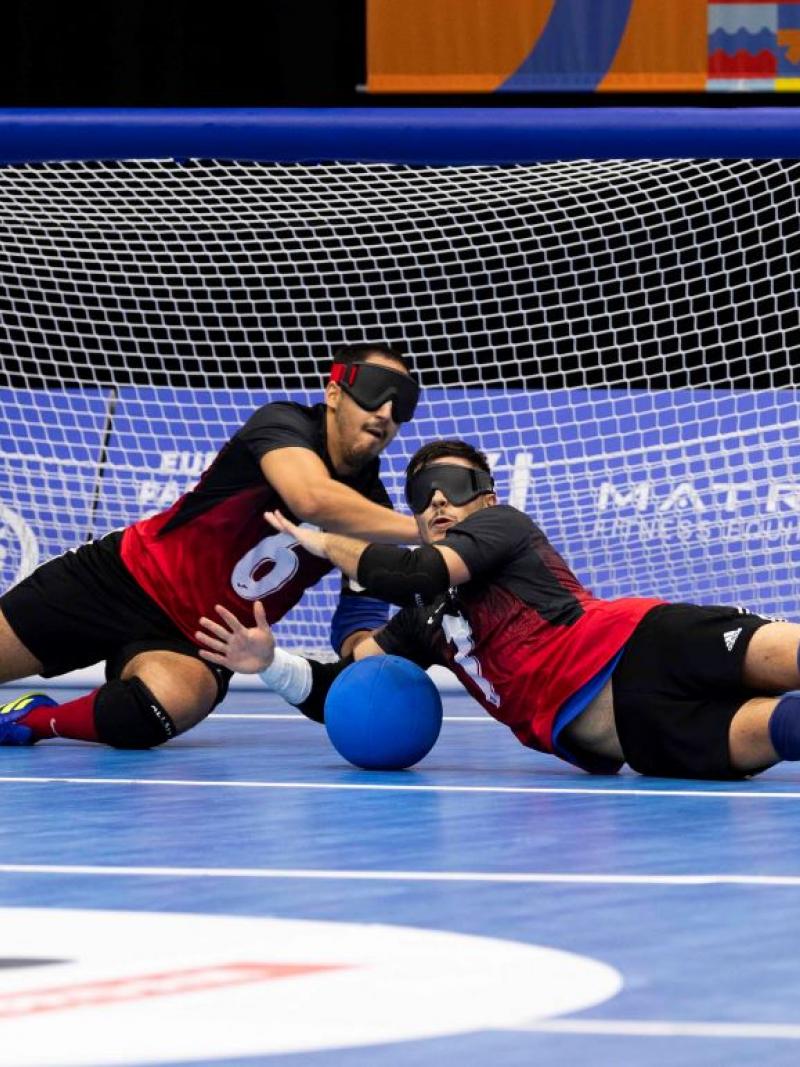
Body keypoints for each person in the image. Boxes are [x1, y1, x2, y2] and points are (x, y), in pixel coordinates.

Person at [196, 438, 800, 781]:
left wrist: (328, 539)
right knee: (785, 729)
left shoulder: (501, 527)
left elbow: (419, 569)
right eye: (421, 495)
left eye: (453, 487)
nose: (437, 502)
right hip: (623, 735)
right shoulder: (424, 620)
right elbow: (346, 687)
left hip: (641, 640)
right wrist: (270, 663)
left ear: (483, 498)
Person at [0, 343, 421, 749]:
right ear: (333, 392)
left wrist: (372, 653)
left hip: (201, 640)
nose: (385, 411)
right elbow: (310, 497)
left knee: (175, 701)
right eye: (372, 392)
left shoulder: (373, 514)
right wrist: (421, 531)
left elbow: (359, 615)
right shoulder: (282, 425)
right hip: (120, 579)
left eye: (401, 404)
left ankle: (30, 720)